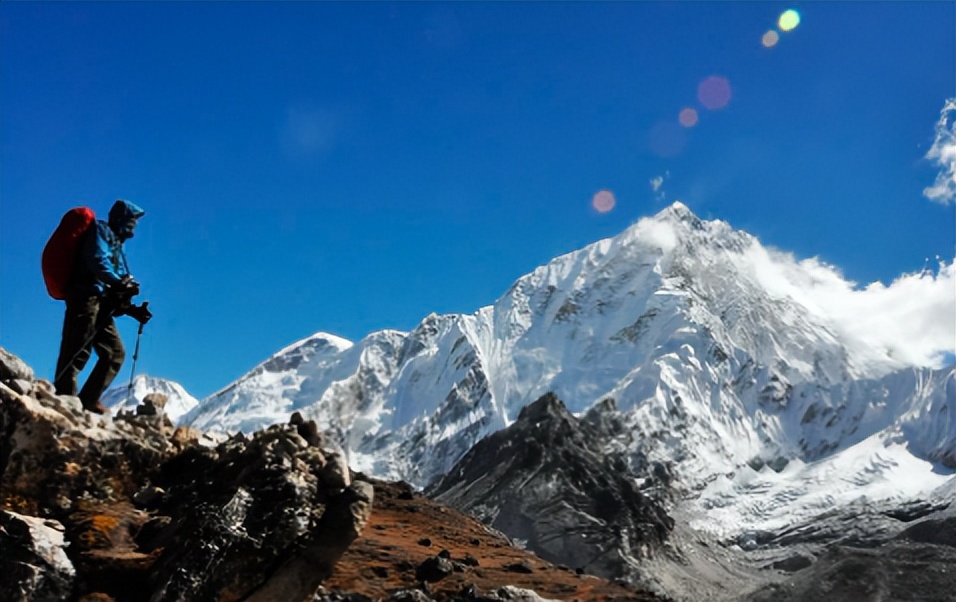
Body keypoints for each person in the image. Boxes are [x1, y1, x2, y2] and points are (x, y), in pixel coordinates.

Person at [54, 199, 153, 413]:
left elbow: (113, 283)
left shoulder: (118, 245)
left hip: (101, 303)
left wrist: (132, 310)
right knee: (77, 345)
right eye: (132, 220)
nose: (134, 226)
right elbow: (97, 260)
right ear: (122, 219)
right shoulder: (101, 231)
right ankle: (63, 396)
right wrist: (119, 282)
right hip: (85, 295)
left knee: (115, 352)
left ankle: (88, 400)